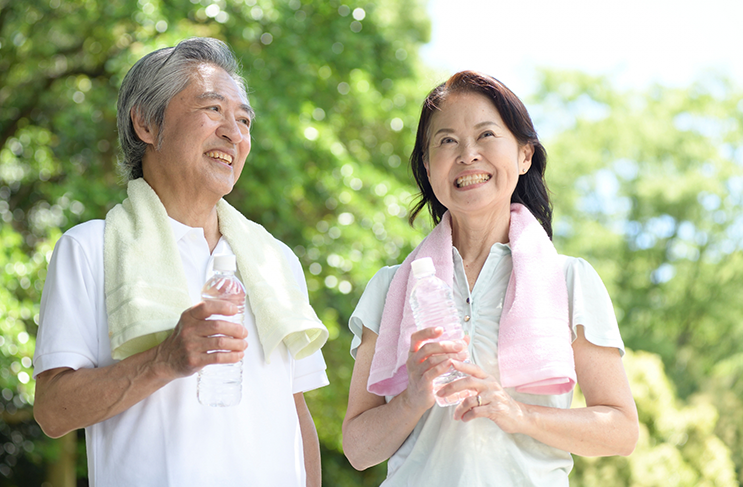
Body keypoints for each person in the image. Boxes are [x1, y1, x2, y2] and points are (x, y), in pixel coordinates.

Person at [33, 38, 329, 486]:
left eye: (244, 119)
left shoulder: (275, 261)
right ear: (147, 123)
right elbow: (53, 411)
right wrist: (164, 360)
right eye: (213, 109)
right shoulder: (92, 247)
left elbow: (295, 412)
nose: (235, 132)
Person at [342, 71, 638, 485]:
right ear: (428, 167)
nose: (467, 155)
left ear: (524, 155)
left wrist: (520, 414)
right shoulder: (391, 288)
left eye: (486, 135)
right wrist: (412, 397)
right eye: (447, 141)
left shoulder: (569, 279)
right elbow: (358, 449)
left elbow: (621, 430)